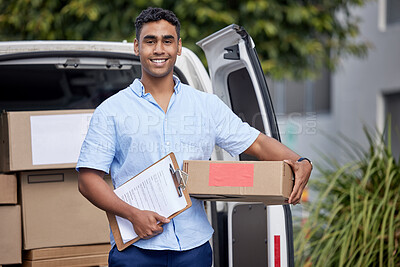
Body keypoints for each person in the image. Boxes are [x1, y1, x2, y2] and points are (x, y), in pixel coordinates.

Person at [76, 7, 312, 267]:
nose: (159, 49)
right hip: (135, 252)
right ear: (136, 47)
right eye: (150, 41)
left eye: (167, 40)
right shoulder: (111, 110)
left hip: (194, 250)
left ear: (178, 46)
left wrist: (300, 160)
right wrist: (133, 215)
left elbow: (255, 142)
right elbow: (88, 180)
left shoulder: (206, 106)